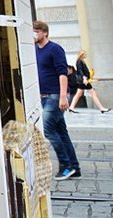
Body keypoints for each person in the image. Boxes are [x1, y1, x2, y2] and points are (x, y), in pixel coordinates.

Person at [34, 20, 80, 180]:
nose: (34, 34)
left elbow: (62, 73)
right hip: (45, 96)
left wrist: (63, 97)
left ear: (45, 32)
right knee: (61, 131)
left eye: (36, 31)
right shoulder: (35, 50)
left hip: (55, 96)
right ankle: (74, 167)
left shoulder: (55, 49)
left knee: (48, 130)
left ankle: (66, 166)